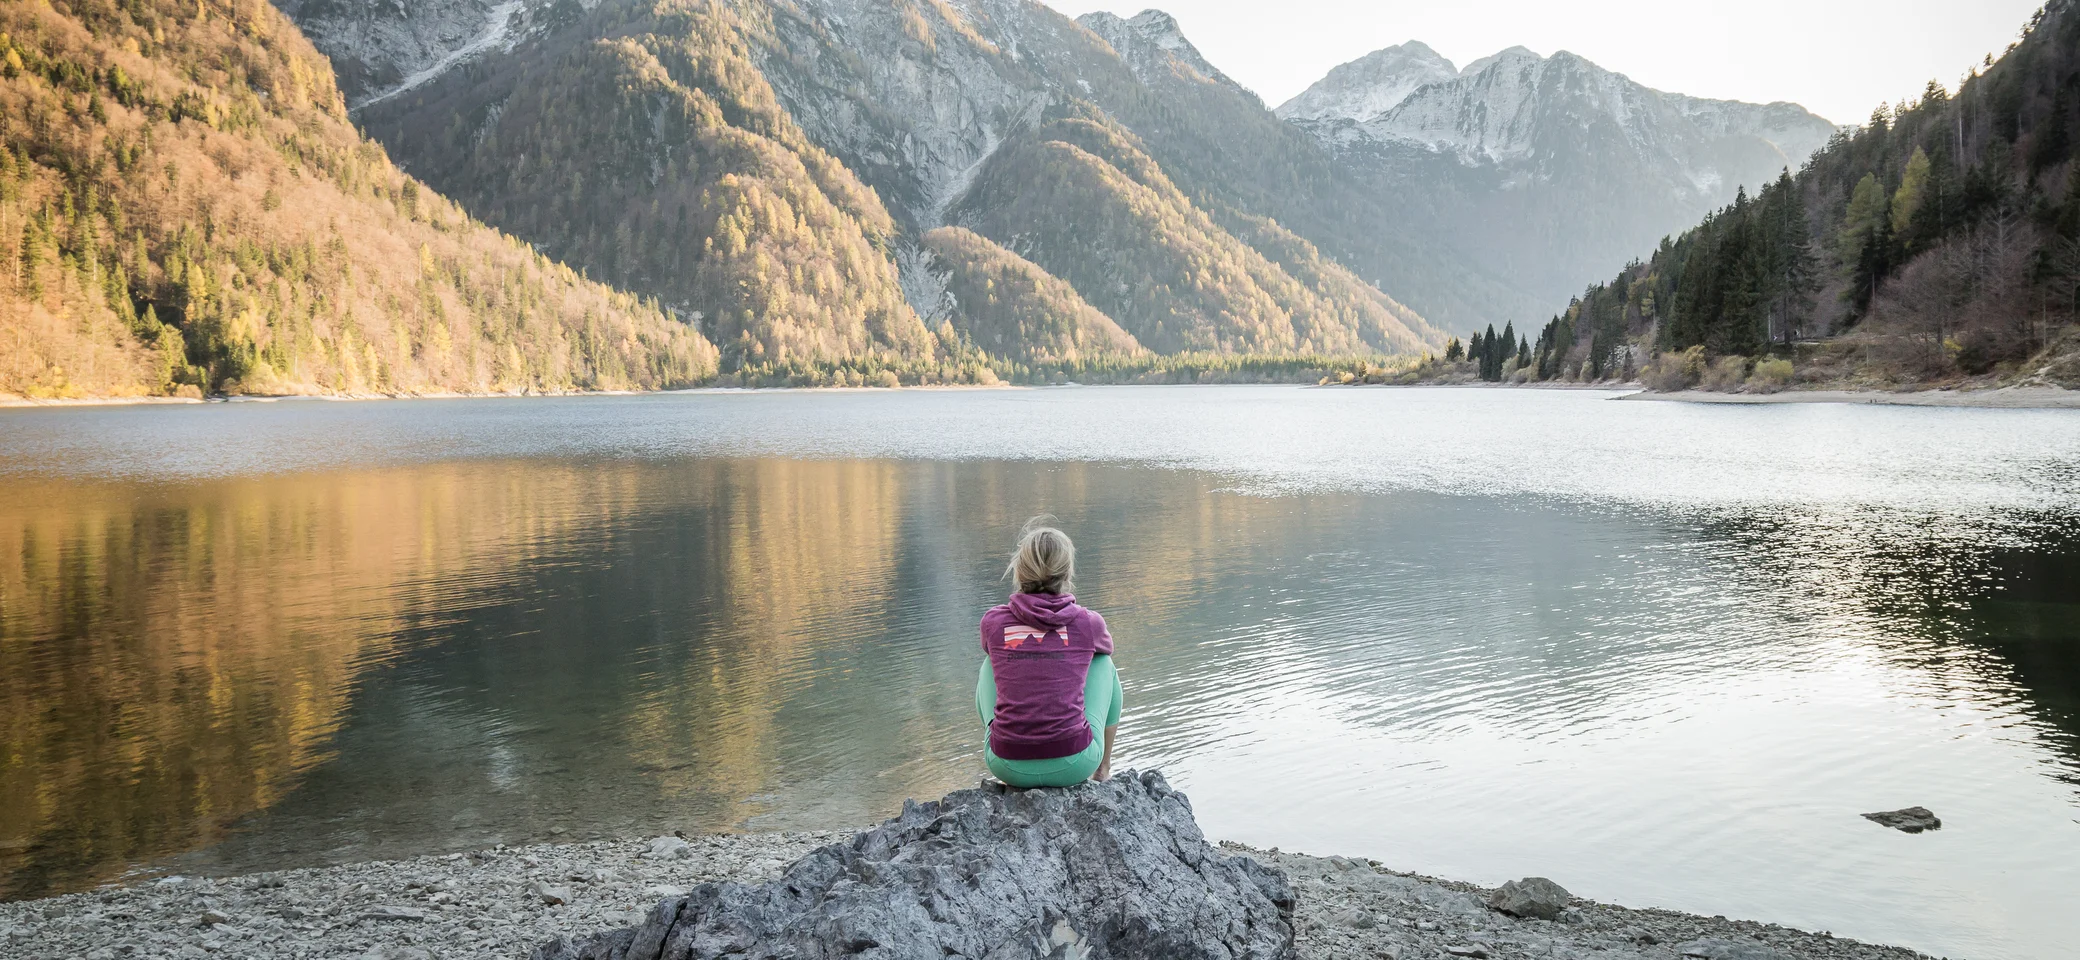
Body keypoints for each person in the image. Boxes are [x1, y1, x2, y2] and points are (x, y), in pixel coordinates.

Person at [976, 518, 1122, 788]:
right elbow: (1103, 651)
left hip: (1006, 764)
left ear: (1019, 570)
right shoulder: (1089, 623)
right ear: (1066, 573)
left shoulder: (993, 622)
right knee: (1103, 661)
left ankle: (1005, 738)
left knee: (990, 661)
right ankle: (1102, 769)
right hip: (1075, 762)